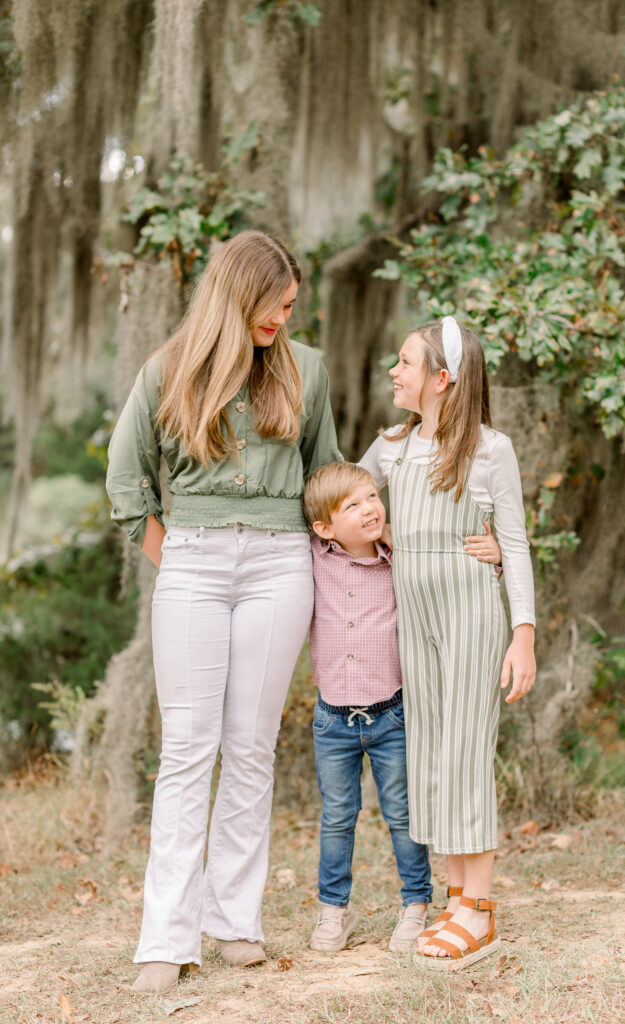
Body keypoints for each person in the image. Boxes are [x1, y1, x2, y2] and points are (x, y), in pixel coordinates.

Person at [105, 230, 341, 993]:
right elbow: (126, 480)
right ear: (238, 291)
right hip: (194, 563)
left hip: (281, 564)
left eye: (291, 305)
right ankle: (164, 940)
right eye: (275, 302)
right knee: (187, 750)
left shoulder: (306, 369)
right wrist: (173, 559)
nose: (283, 315)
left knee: (249, 747)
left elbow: (323, 481)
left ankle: (234, 920)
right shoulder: (165, 370)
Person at [359, 316, 536, 970]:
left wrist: (523, 634)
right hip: (416, 620)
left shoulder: (491, 449)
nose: (394, 373)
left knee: (465, 754)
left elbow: (512, 543)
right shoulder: (391, 447)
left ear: (442, 379)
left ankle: (479, 915)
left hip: (469, 613)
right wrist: (372, 540)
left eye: (405, 363)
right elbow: (349, 503)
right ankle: (456, 896)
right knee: (432, 753)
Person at [301, 461, 502, 954]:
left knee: (403, 814)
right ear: (324, 527)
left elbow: (449, 560)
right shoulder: (311, 557)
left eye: (372, 496)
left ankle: (416, 905)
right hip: (332, 719)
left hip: (392, 715)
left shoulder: (401, 554)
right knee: (336, 817)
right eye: (352, 505)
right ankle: (334, 911)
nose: (369, 508)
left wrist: (496, 556)